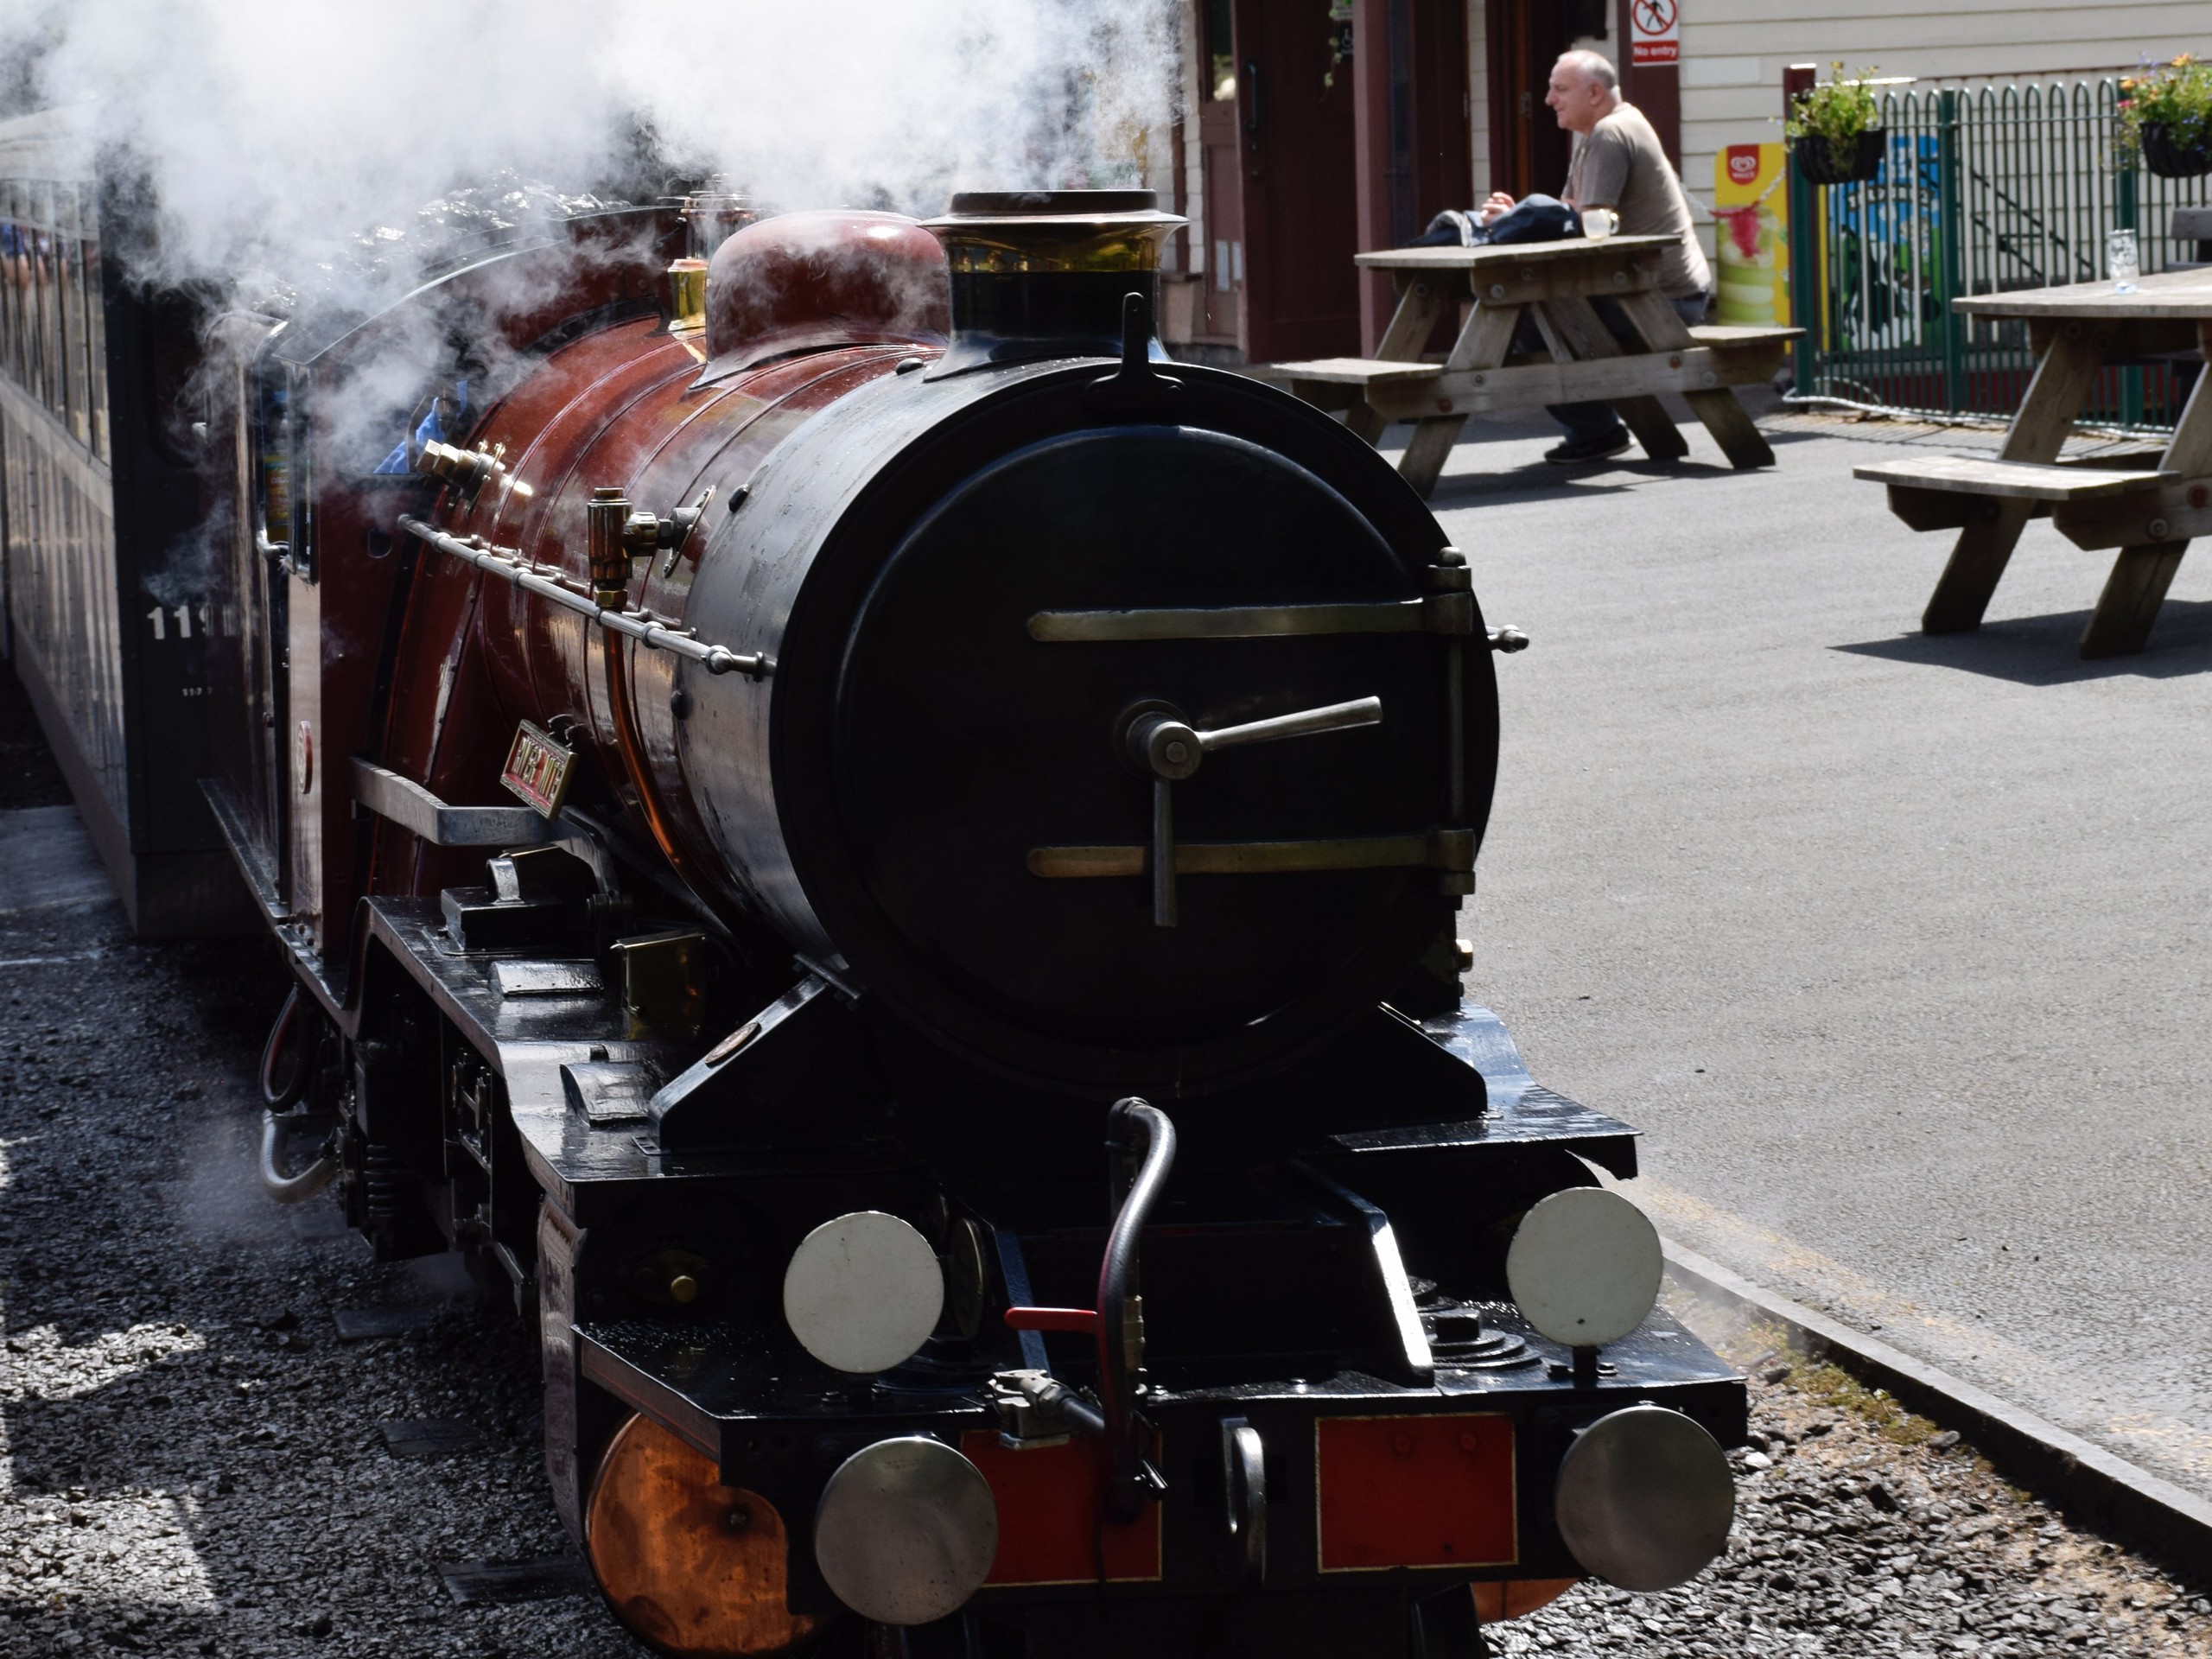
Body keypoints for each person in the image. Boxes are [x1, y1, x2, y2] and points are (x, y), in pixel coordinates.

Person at [1479, 50, 1713, 464]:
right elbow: (1572, 210)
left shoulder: (1610, 133)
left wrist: (1519, 220)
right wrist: (1516, 216)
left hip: (1662, 302)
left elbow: (1586, 225)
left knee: (1523, 319)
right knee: (1532, 315)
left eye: (1559, 89)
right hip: (1650, 293)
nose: (1549, 99)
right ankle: (1598, 429)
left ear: (1594, 92)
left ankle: (1597, 431)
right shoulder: (1596, 133)